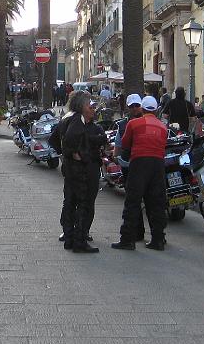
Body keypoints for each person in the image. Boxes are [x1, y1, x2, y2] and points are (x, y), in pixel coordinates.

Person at [113, 95, 168, 251]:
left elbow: (125, 143)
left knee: (133, 201)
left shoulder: (133, 124)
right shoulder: (163, 127)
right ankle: (158, 239)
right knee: (156, 202)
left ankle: (128, 239)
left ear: (142, 109)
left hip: (139, 163)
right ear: (156, 110)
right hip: (158, 165)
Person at [58, 91, 104, 253]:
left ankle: (71, 238)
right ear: (81, 106)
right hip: (80, 170)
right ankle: (79, 241)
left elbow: (57, 139)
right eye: (88, 104)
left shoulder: (70, 118)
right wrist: (74, 154)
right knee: (84, 203)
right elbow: (69, 139)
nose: (92, 108)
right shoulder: (77, 120)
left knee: (72, 202)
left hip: (72, 169)